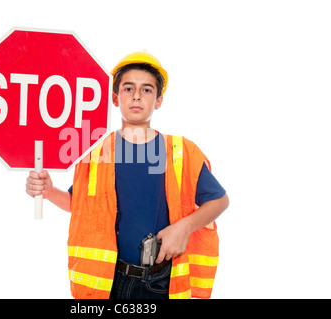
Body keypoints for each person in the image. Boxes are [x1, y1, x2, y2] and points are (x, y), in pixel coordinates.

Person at [26, 51, 229, 299]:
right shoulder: (97, 151)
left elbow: (220, 200)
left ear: (158, 100)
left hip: (162, 281)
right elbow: (80, 205)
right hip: (111, 281)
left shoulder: (181, 151)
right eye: (128, 88)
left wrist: (183, 228)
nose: (136, 96)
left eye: (146, 90)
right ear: (115, 97)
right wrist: (48, 191)